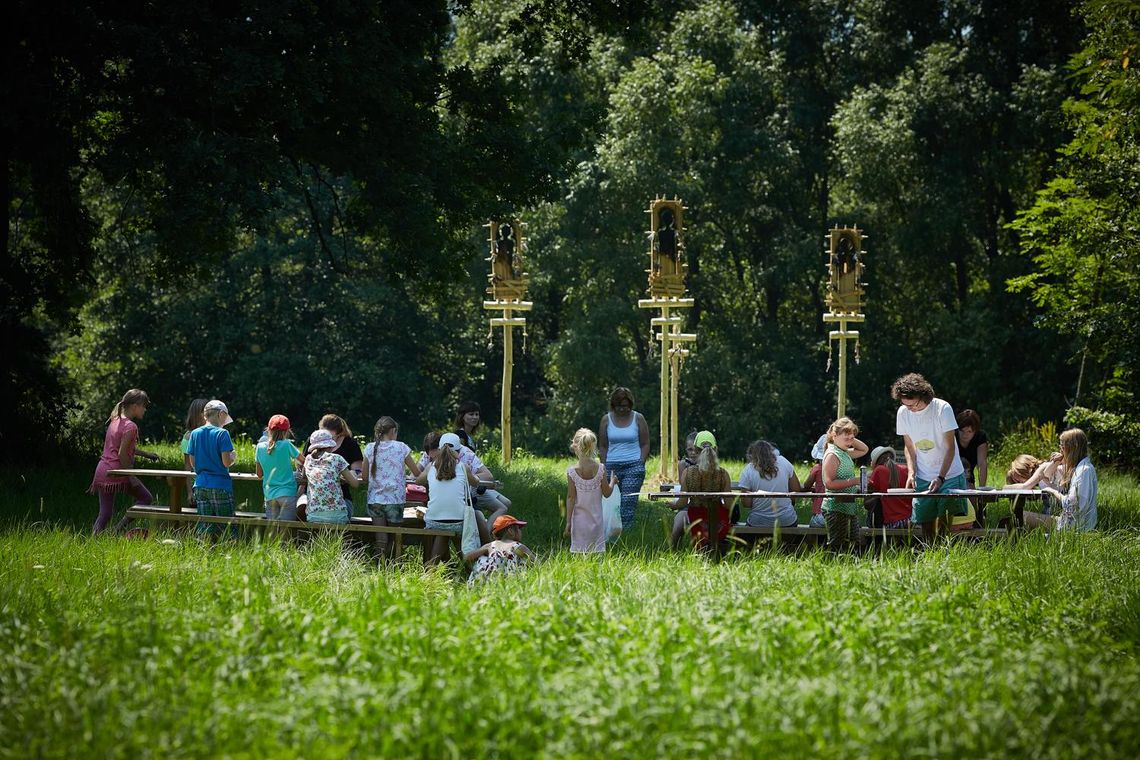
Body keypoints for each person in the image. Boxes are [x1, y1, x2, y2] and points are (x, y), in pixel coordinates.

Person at [891, 373, 967, 540]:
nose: (910, 409)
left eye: (913, 404)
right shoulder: (903, 412)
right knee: (925, 523)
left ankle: (944, 558)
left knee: (944, 525)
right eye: (906, 405)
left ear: (923, 395)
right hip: (923, 475)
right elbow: (909, 446)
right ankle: (930, 557)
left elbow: (950, 447)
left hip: (949, 474)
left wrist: (940, 477)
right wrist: (911, 472)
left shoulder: (942, 408)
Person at [88, 389, 158, 535]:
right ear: (135, 406)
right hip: (118, 472)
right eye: (143, 406)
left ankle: (94, 539)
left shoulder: (115, 420)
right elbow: (121, 454)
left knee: (105, 513)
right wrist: (131, 476)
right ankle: (117, 529)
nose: (145, 409)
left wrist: (146, 454)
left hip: (103, 470)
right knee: (146, 498)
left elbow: (122, 448)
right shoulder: (131, 426)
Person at [416, 433, 481, 565]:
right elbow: (475, 482)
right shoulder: (463, 467)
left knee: (443, 530)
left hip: (434, 521)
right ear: (458, 451)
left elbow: (418, 481)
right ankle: (469, 567)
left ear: (439, 449)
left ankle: (432, 567)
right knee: (454, 528)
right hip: (458, 521)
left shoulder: (431, 467)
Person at [363, 416, 422, 560]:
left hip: (375, 499)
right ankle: (393, 565)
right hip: (395, 499)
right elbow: (416, 473)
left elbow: (364, 477)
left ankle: (378, 566)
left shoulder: (369, 448)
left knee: (381, 538)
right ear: (393, 431)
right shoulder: (401, 447)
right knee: (395, 537)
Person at [1023, 429, 1098, 532]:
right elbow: (1046, 476)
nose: (1060, 451)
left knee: (1022, 516)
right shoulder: (1081, 467)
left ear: (1073, 448)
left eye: (1062, 447)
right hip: (1076, 524)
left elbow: (1071, 506)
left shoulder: (1083, 471)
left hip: (1073, 526)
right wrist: (1056, 462)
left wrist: (1053, 492)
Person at [598, 387, 650, 530]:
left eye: (626, 406)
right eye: (620, 406)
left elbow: (645, 443)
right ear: (614, 405)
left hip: (633, 465)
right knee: (611, 501)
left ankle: (626, 533)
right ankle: (609, 532)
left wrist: (640, 462)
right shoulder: (606, 420)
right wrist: (603, 466)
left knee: (628, 501)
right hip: (611, 466)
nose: (623, 409)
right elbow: (602, 446)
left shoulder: (638, 418)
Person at [673, 431, 732, 552]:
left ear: (695, 450)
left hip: (696, 515)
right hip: (718, 516)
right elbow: (728, 505)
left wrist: (672, 505)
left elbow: (682, 502)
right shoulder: (723, 474)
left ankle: (675, 551)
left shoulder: (688, 473)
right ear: (715, 449)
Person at [187, 400, 238, 538]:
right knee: (227, 526)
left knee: (205, 526)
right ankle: (230, 553)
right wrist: (233, 456)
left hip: (200, 485)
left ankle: (205, 553)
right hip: (220, 485)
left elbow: (193, 463)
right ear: (221, 414)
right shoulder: (222, 433)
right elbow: (226, 462)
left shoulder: (195, 434)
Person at [299, 414, 363, 521]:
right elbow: (355, 483)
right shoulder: (337, 459)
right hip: (329, 507)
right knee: (300, 508)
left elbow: (358, 471)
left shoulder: (350, 444)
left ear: (339, 433)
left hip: (337, 499)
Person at [565, 428, 618, 554]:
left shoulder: (572, 472)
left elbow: (571, 498)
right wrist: (613, 482)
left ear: (574, 445)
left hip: (578, 522)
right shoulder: (600, 469)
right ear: (593, 447)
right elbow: (607, 493)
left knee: (579, 555)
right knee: (596, 555)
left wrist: (568, 522)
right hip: (597, 522)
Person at [820, 417, 869, 550]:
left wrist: (849, 433)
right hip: (835, 507)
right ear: (834, 436)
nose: (850, 442)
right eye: (846, 439)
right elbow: (829, 483)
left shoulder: (843, 452)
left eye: (852, 438)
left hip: (848, 506)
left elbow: (864, 449)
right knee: (838, 546)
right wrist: (854, 481)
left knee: (854, 544)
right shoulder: (832, 454)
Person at [740, 440, 802, 528]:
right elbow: (796, 489)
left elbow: (746, 503)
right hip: (786, 520)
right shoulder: (784, 462)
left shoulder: (748, 470)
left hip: (757, 521)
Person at [255, 414, 300, 522]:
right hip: (287, 493)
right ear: (287, 431)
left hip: (270, 495)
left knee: (273, 533)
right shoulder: (287, 444)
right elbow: (304, 461)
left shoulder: (260, 447)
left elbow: (259, 474)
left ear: (268, 430)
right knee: (286, 532)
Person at [465, 515, 534, 584]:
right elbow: (535, 563)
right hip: (506, 581)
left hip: (485, 581)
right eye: (519, 528)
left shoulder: (490, 546)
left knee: (483, 558)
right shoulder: (517, 546)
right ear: (511, 531)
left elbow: (467, 557)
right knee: (522, 561)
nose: (520, 531)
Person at [864, 446, 911, 529]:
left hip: (892, 522)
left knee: (877, 501)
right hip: (910, 519)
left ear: (875, 462)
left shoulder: (879, 470)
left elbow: (867, 504)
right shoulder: (906, 469)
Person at [670, 430, 700, 548]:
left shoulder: (710, 465)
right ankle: (674, 550)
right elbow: (684, 486)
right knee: (678, 526)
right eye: (689, 449)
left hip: (706, 506)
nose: (693, 453)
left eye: (696, 450)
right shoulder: (683, 464)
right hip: (687, 505)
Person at [179, 398, 209, 506]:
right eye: (206, 412)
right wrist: (189, 492)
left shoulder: (212, 433)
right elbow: (188, 466)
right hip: (197, 484)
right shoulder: (188, 436)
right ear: (197, 415)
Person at [956, 409, 989, 488]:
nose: (965, 435)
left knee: (973, 495)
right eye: (962, 431)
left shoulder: (980, 437)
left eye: (969, 431)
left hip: (968, 475)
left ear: (975, 431)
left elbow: (982, 464)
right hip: (952, 476)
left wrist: (982, 489)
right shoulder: (952, 436)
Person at [801, 434, 828, 528]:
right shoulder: (840, 469)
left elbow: (806, 485)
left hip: (820, 513)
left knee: (810, 531)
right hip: (837, 513)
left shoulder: (817, 468)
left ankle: (810, 543)